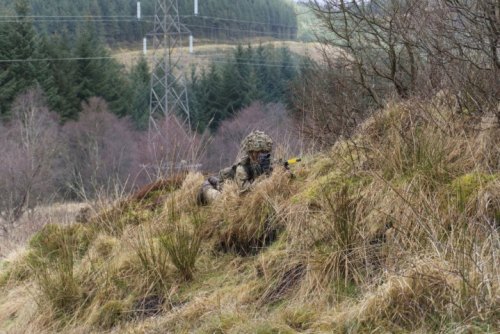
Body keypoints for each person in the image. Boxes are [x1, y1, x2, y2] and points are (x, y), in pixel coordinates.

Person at [198, 130, 273, 205]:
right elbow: (244, 192)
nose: (261, 155)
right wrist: (261, 181)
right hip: (227, 185)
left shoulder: (266, 163)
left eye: (264, 152)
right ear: (251, 152)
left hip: (238, 184)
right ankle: (206, 188)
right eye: (258, 152)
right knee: (224, 202)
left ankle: (213, 180)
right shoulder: (242, 168)